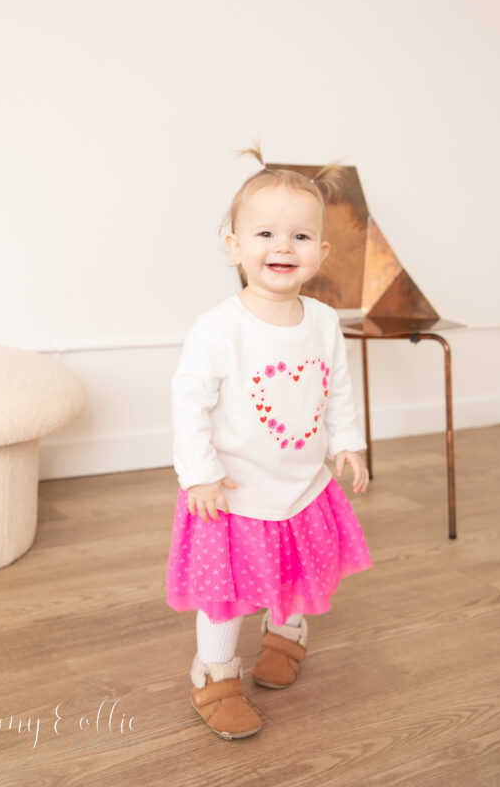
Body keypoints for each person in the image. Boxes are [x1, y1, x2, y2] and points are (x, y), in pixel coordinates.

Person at [165, 146, 372, 739]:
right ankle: (215, 671)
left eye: (301, 235)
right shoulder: (219, 328)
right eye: (265, 233)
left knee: (297, 568)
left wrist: (348, 443)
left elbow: (337, 390)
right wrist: (199, 473)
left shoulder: (324, 321)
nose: (283, 247)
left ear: (321, 252)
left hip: (303, 486)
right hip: (230, 493)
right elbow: (190, 402)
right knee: (224, 596)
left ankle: (288, 630)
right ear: (234, 245)